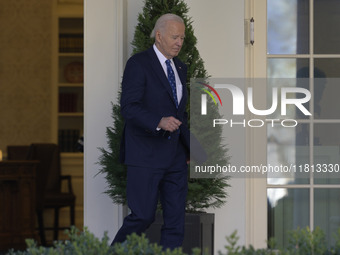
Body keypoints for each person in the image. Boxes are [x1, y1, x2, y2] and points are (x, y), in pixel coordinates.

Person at [111, 13, 190, 250]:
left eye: (182, 38)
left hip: (175, 156)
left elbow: (180, 113)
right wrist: (159, 121)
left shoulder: (180, 67)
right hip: (145, 154)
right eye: (175, 37)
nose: (179, 42)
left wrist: (189, 148)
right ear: (159, 35)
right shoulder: (138, 63)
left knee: (176, 222)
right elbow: (129, 107)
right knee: (143, 216)